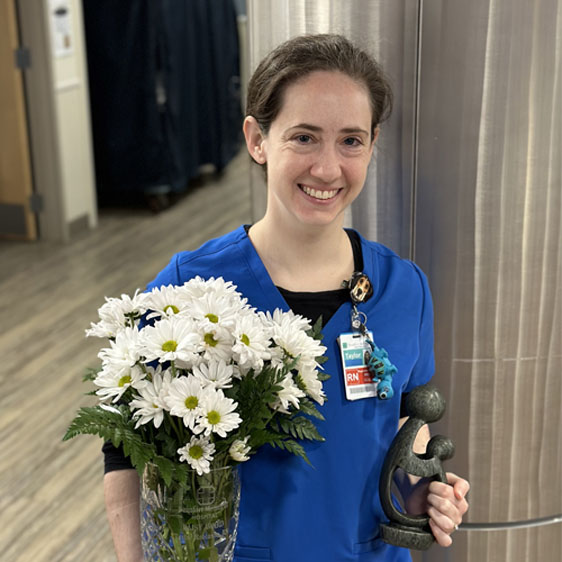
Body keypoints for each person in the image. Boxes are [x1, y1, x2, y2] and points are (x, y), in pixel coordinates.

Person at [103, 33, 469, 561]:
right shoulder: (190, 289)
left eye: (350, 140)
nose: (327, 168)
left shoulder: (403, 289)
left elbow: (405, 429)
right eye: (303, 137)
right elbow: (124, 449)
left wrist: (425, 494)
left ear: (372, 142)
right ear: (257, 139)